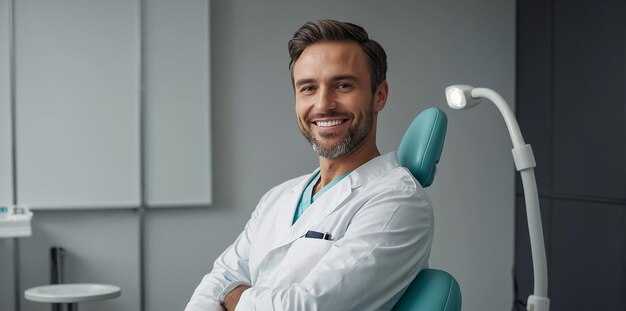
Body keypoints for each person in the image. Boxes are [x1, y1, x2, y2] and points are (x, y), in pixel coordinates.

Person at [185, 19, 433, 311]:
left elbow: (306, 307)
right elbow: (216, 281)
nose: (323, 104)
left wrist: (235, 297)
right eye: (308, 88)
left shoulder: (397, 201)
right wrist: (233, 293)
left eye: (343, 85)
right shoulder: (277, 198)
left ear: (379, 95)